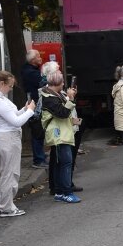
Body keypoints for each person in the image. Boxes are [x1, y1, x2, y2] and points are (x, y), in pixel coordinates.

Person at [0, 71, 36, 217]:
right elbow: (16, 122)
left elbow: (12, 117)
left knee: (7, 172)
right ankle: (7, 207)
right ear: (1, 84)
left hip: (6, 137)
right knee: (11, 174)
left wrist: (24, 109)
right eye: (9, 86)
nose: (11, 88)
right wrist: (30, 111)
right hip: (7, 138)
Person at [41, 70, 80, 203]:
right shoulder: (49, 98)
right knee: (66, 163)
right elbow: (62, 113)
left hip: (62, 133)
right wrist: (70, 99)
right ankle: (66, 192)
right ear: (57, 83)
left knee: (60, 164)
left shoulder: (54, 95)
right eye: (62, 81)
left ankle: (59, 191)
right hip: (59, 135)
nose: (64, 84)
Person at [21, 49, 47, 168]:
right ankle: (38, 160)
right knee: (37, 130)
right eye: (38, 56)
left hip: (37, 102)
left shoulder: (32, 70)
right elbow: (43, 82)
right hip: (35, 104)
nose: (40, 57)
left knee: (40, 130)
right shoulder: (30, 72)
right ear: (32, 60)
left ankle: (41, 157)